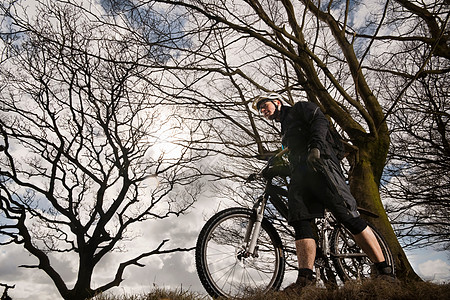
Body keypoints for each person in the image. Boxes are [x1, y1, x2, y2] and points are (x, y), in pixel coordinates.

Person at [252, 92, 395, 291]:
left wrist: (316, 148)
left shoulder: (301, 108)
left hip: (322, 166)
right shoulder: (284, 132)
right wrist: (271, 170)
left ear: (277, 102)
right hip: (301, 177)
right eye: (260, 110)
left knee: (346, 215)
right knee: (300, 222)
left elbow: (320, 121)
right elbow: (294, 159)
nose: (263, 111)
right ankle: (306, 278)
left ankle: (384, 270)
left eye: (264, 105)